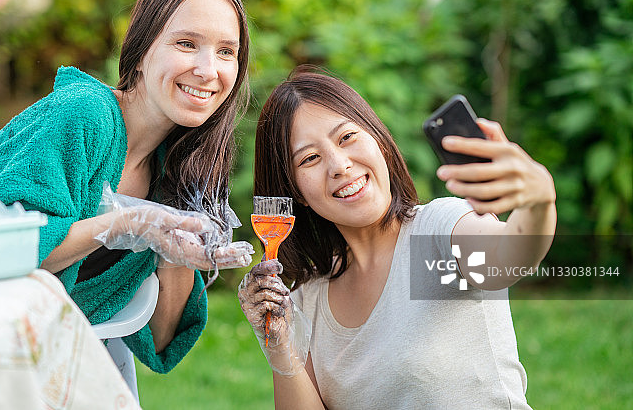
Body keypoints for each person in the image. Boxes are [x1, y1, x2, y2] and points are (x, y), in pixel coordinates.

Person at [0, 0, 254, 374]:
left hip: (40, 356)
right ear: (141, 51)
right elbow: (2, 250)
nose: (208, 69)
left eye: (226, 51)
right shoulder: (86, 114)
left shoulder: (181, 168)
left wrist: (174, 252)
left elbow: (161, 342)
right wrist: (126, 224)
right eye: (187, 44)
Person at [238, 67, 556, 409]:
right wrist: (279, 345)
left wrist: (539, 200)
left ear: (378, 140)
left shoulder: (439, 230)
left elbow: (509, 257)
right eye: (310, 158)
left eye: (347, 137)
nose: (339, 165)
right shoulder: (306, 300)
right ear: (295, 192)